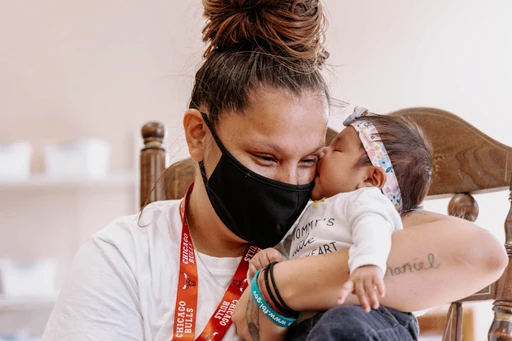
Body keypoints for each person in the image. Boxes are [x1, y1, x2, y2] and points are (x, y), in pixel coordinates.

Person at [42, 0, 507, 341]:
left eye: (309, 160)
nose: (289, 183)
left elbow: (481, 255)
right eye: (265, 158)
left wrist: (279, 288)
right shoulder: (124, 258)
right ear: (198, 135)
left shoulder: (336, 215)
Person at [247, 106, 433, 340]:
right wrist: (272, 259)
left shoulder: (365, 200)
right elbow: (294, 254)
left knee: (341, 325)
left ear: (370, 178)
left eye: (336, 148)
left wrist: (368, 264)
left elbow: (372, 228)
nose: (323, 151)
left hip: (370, 314)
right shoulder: (310, 211)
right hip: (313, 324)